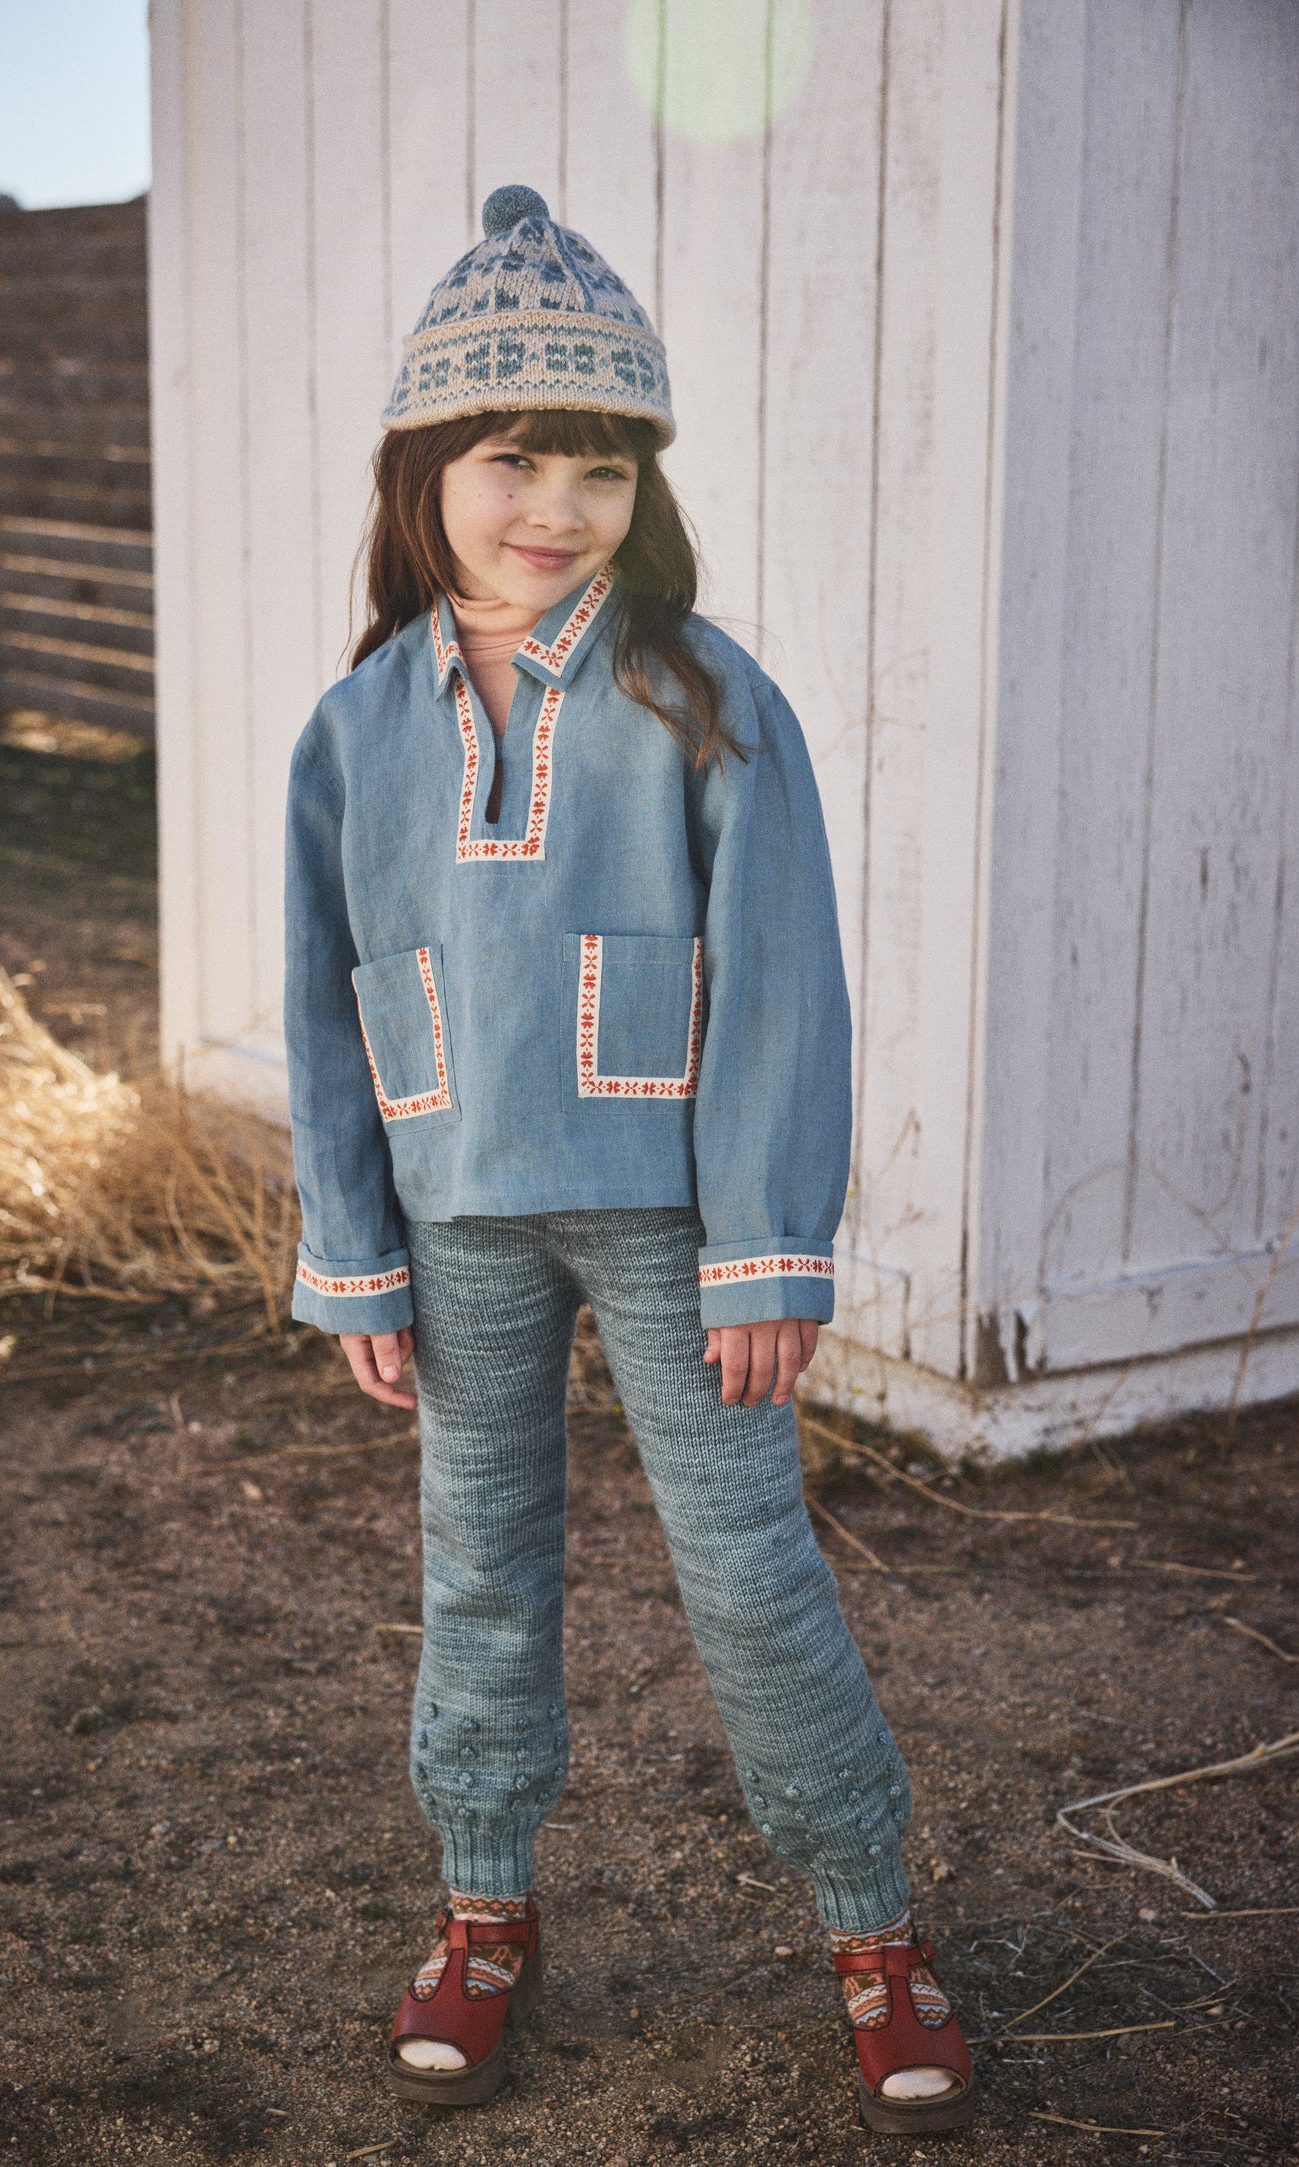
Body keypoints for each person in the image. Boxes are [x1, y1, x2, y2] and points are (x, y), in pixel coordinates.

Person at [283, 184, 974, 2136]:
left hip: (675, 1225)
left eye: (599, 464)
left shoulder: (699, 692)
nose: (554, 505)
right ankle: (484, 1909)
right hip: (454, 1225)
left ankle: (869, 1918)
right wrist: (353, 1248)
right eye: (513, 457)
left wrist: (768, 1242)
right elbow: (324, 990)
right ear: (431, 466)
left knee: (750, 1575)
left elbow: (780, 985)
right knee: (479, 1573)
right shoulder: (355, 730)